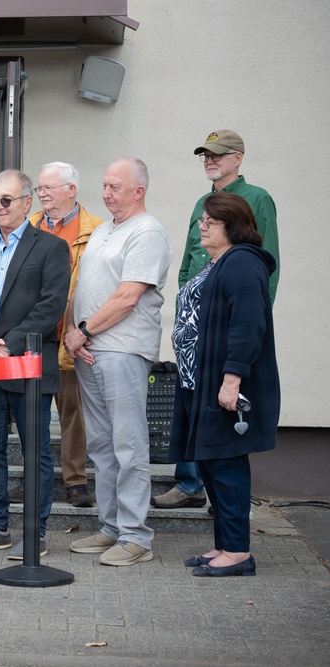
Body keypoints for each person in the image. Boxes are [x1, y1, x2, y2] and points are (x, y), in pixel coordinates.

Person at [154, 129, 280, 510]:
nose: (210, 160)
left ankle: (223, 506)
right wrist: (184, 318)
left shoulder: (257, 198)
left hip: (228, 331)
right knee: (193, 409)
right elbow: (190, 265)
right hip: (197, 332)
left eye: (218, 154)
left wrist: (251, 330)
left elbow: (266, 271)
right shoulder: (202, 203)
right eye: (206, 155)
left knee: (221, 431)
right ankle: (190, 483)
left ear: (237, 158)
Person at [64, 158, 172, 567]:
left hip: (122, 350)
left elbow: (128, 297)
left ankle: (136, 537)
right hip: (89, 349)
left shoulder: (147, 232)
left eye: (115, 186)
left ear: (138, 190)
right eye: (105, 185)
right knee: (101, 446)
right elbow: (82, 287)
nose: (106, 193)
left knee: (128, 445)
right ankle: (111, 528)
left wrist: (83, 331)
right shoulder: (104, 230)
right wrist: (73, 332)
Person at [0, 170, 69, 559]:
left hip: (28, 368)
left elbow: (51, 306)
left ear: (27, 202)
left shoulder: (51, 248)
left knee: (35, 452)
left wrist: (11, 344)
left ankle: (35, 533)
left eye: (7, 199)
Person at [170, 192, 279, 577]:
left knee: (227, 465)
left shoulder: (243, 262)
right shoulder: (218, 261)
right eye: (202, 220)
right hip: (198, 383)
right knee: (211, 463)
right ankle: (224, 545)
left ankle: (238, 553)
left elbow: (248, 325)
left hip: (223, 385)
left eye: (210, 222)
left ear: (232, 226)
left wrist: (232, 379)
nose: (201, 227)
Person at [26, 162, 103, 508]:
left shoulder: (97, 230)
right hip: (33, 335)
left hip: (72, 336)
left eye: (48, 188)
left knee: (73, 413)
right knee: (31, 411)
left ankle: (76, 481)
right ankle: (33, 478)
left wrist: (86, 329)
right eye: (39, 188)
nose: (41, 194)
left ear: (71, 190)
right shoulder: (27, 226)